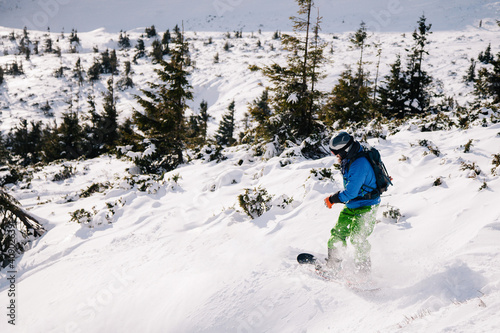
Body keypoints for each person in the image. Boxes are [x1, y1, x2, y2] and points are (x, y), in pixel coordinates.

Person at [323, 132, 380, 275]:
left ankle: (363, 273)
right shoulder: (350, 158)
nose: (336, 156)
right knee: (338, 233)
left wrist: (332, 199)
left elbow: (350, 193)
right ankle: (333, 265)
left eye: (337, 153)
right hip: (352, 205)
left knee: (357, 238)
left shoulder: (358, 164)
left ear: (345, 150)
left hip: (367, 205)